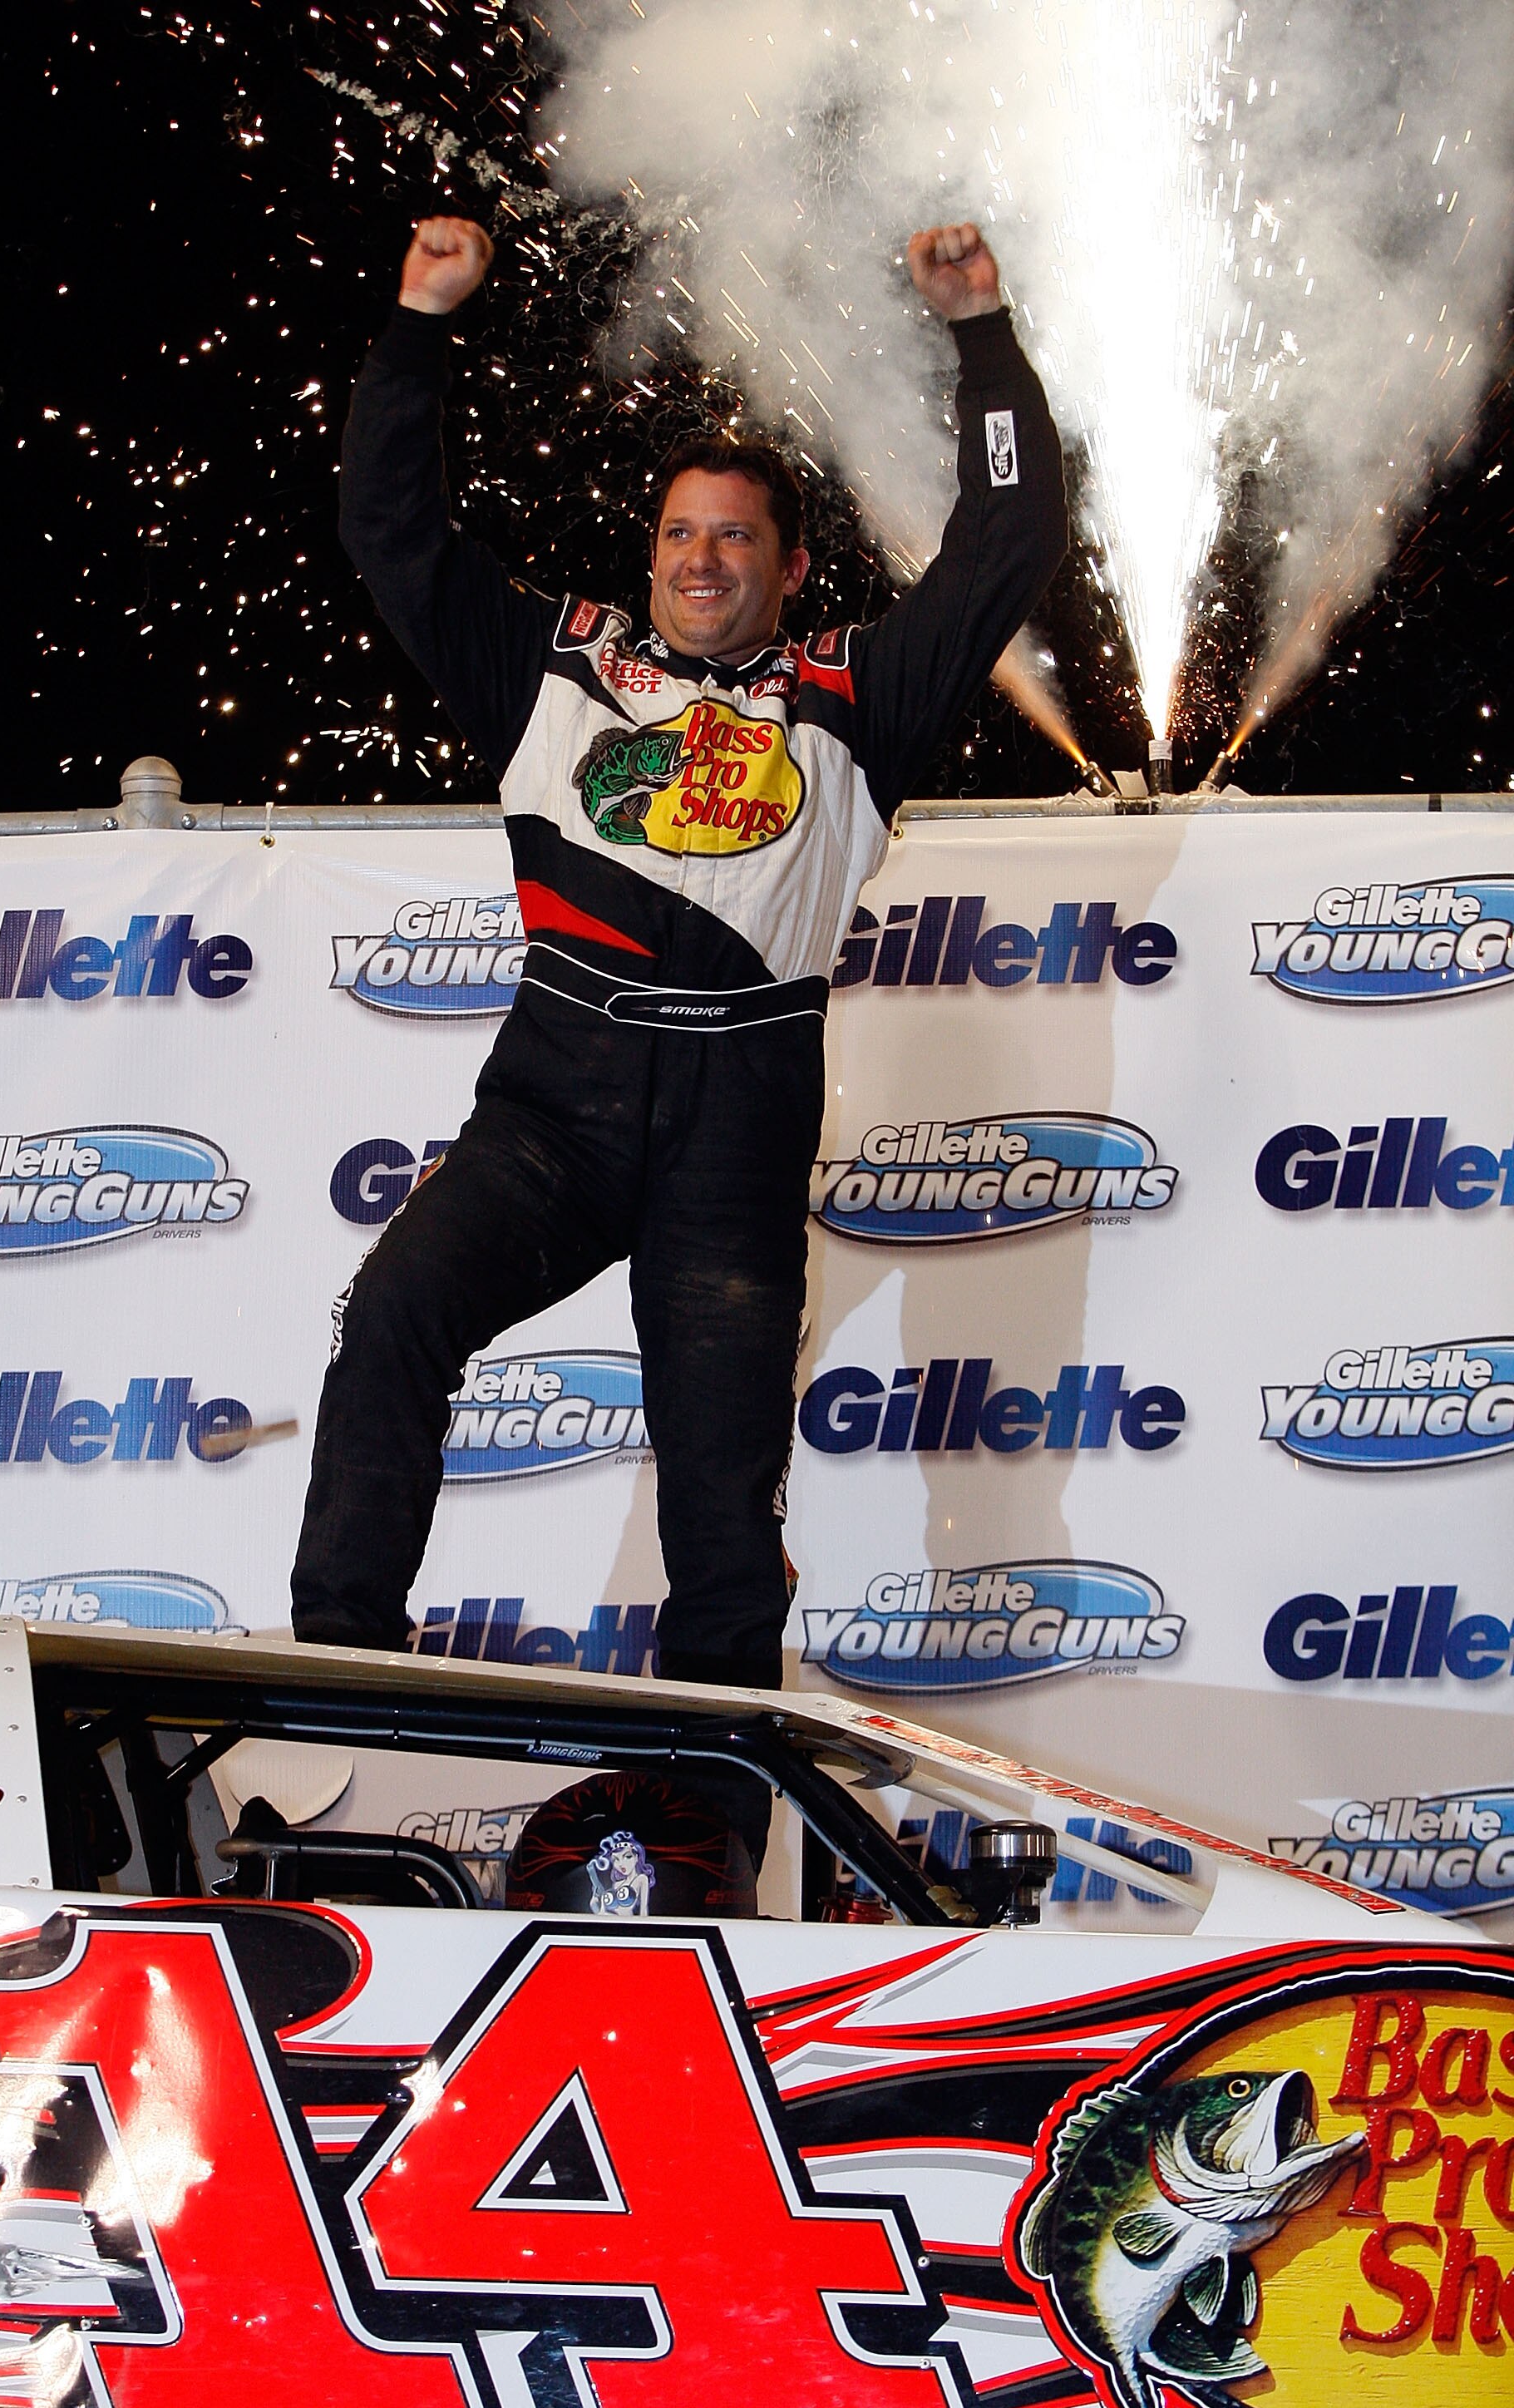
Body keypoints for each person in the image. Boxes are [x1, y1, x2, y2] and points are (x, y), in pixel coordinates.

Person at [292, 213, 1066, 1698]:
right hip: (552, 1107)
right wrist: (417, 326)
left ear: (786, 567)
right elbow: (392, 534)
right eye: (677, 532)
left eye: (734, 537)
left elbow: (1010, 542)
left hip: (739, 1121)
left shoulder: (853, 696)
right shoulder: (558, 667)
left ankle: (712, 1783)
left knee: (721, 1495)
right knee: (393, 1311)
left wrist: (981, 338)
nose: (699, 558)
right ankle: (337, 1664)